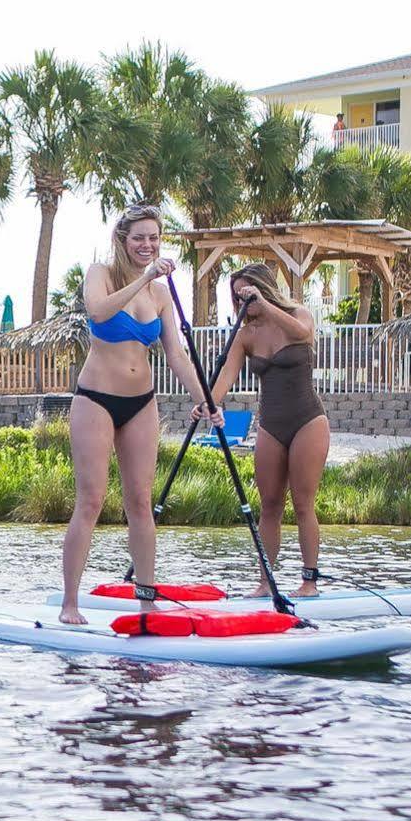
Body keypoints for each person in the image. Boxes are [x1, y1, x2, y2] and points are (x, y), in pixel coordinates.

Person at [59, 205, 221, 624]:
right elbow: (98, 312)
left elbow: (177, 356)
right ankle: (70, 604)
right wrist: (145, 278)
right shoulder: (102, 274)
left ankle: (147, 602)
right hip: (95, 398)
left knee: (141, 502)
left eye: (154, 238)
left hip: (142, 402)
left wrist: (205, 397)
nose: (147, 245)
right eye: (139, 238)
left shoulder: (163, 295)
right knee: (91, 501)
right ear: (122, 240)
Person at [202, 263, 327, 599]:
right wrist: (208, 402)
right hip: (271, 425)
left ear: (263, 289)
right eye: (237, 297)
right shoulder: (245, 336)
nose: (243, 302)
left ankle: (309, 581)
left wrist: (265, 304)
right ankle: (264, 582)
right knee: (269, 504)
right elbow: (225, 377)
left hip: (308, 421)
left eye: (247, 294)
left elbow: (302, 334)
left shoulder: (297, 315)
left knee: (303, 503)